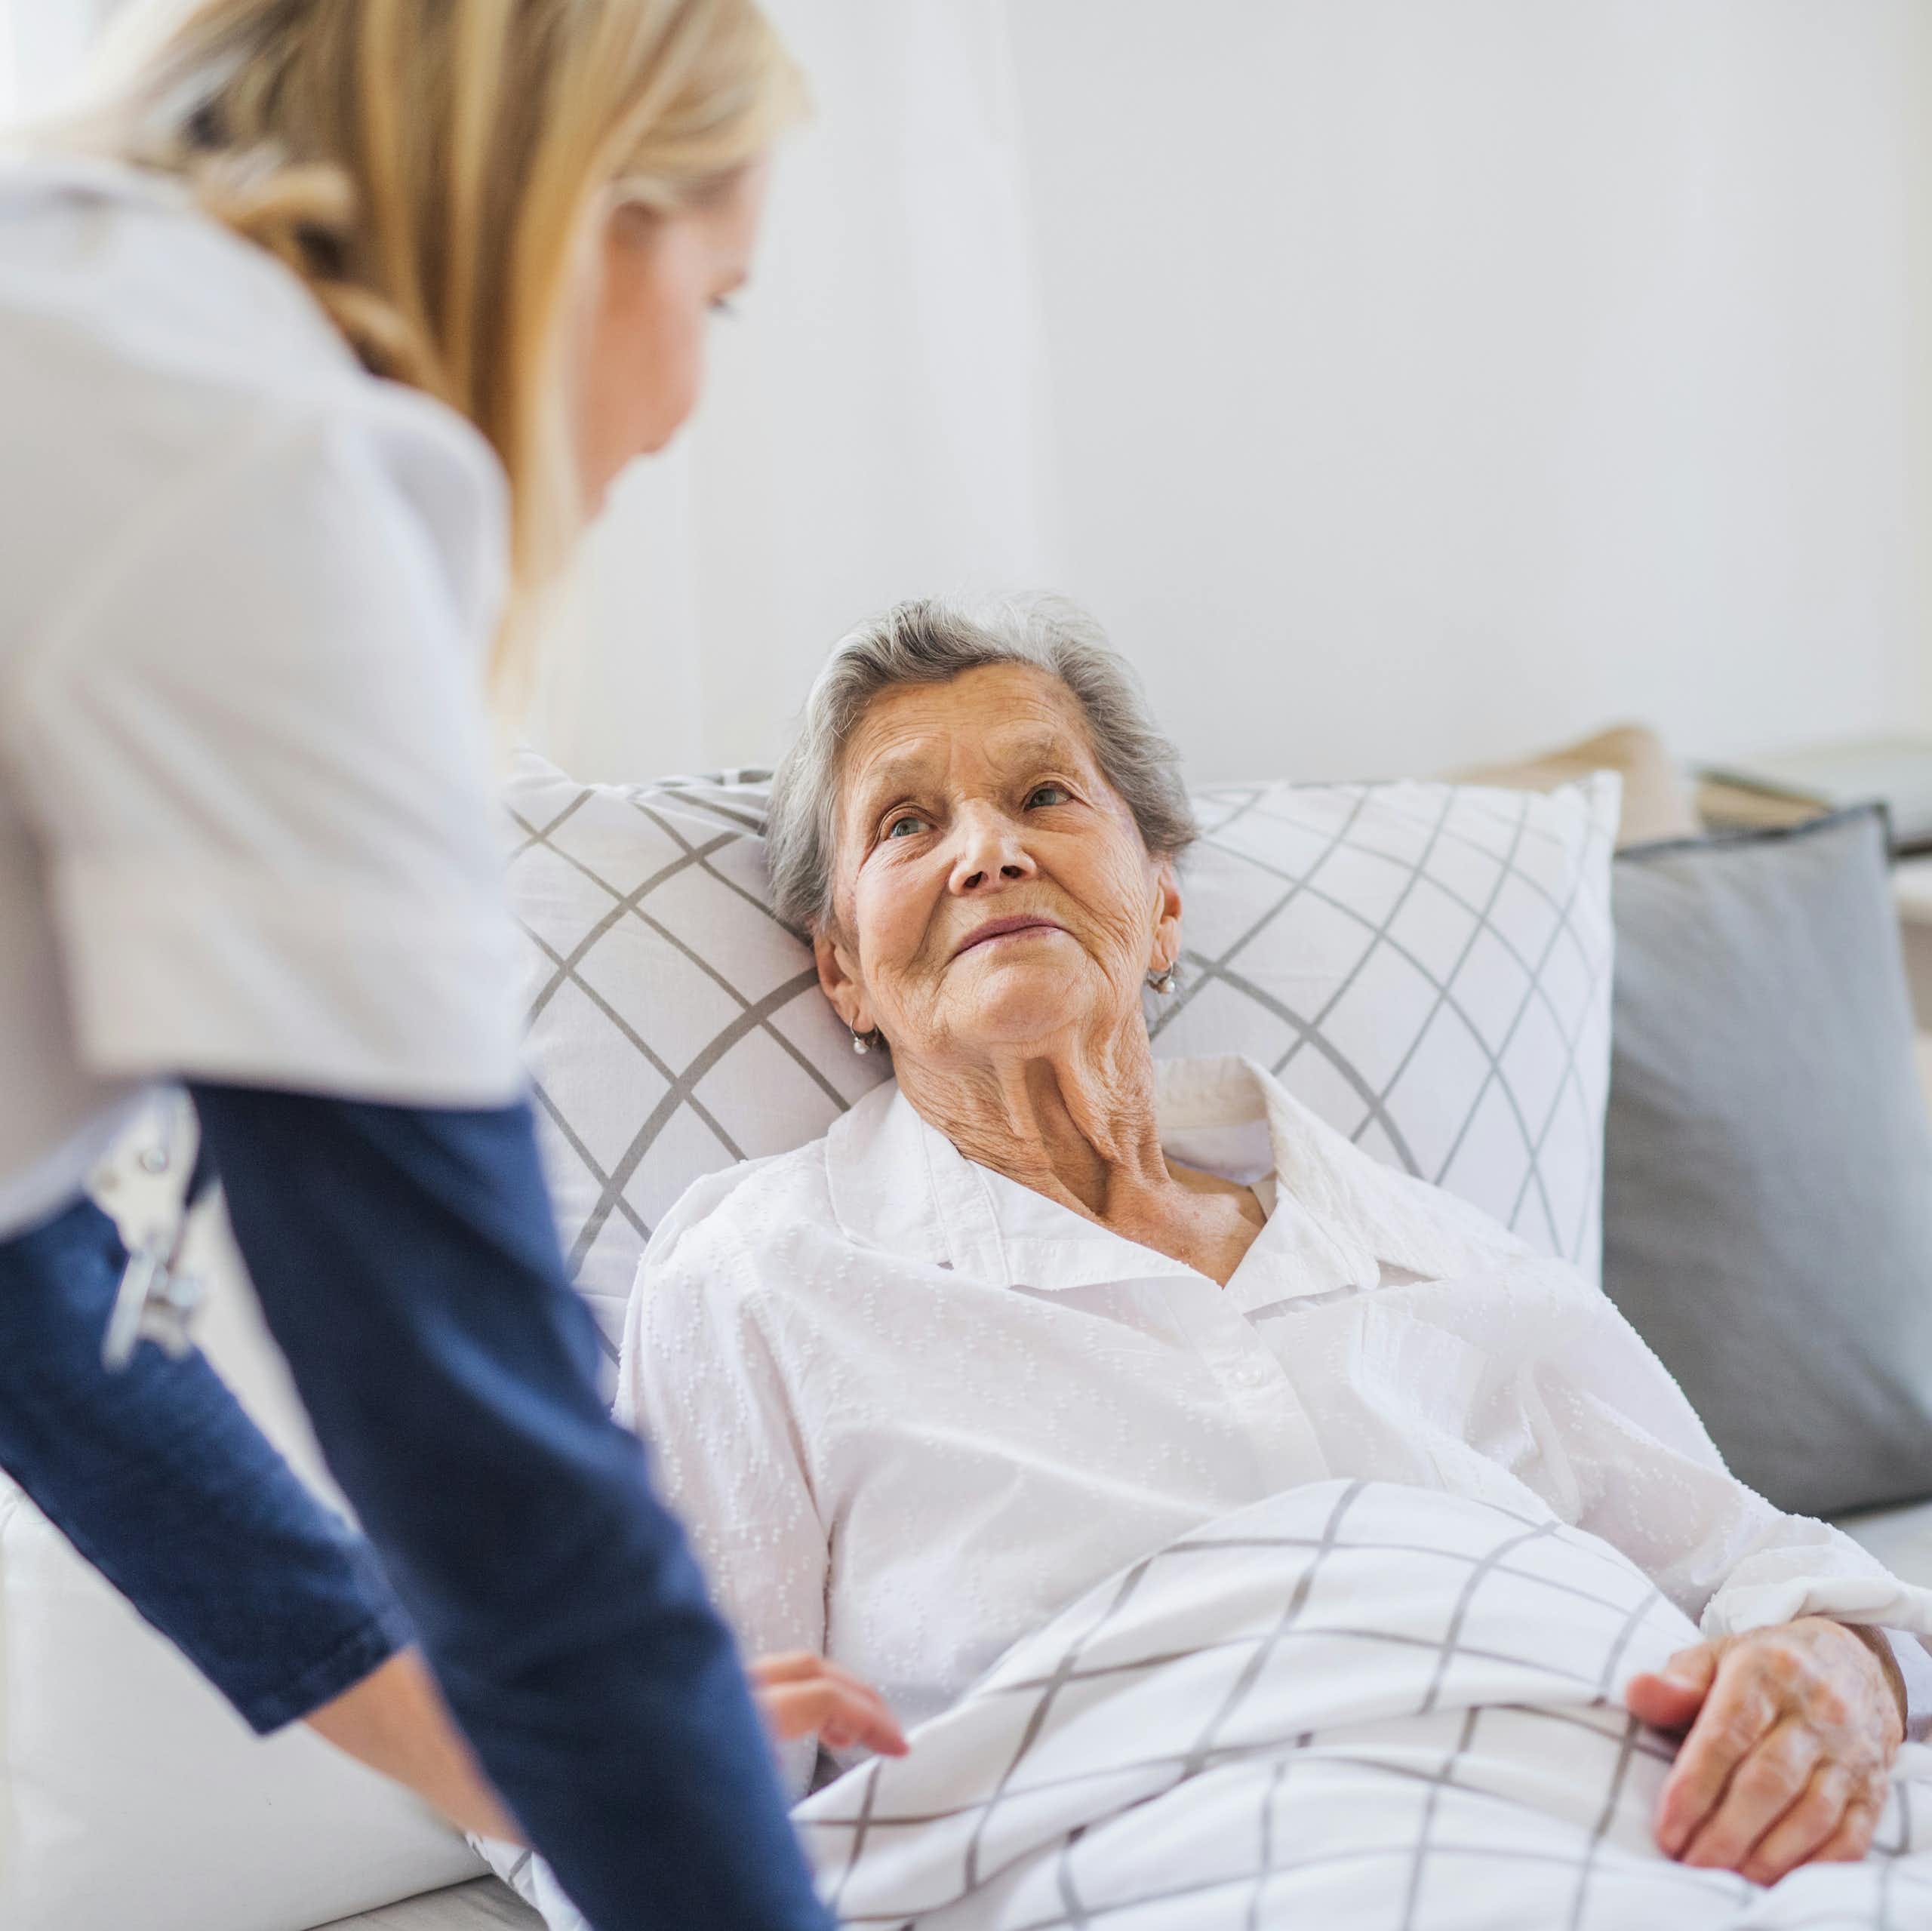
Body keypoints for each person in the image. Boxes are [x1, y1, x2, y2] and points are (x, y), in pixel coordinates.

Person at [618, 594, 1932, 1891]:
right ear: (841, 967)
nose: (988, 854)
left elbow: (1775, 1570)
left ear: (1163, 903)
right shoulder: (762, 1276)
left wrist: (1838, 1669)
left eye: (1046, 799)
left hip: (1651, 1835)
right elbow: (629, 1776)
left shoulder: (1431, 1250)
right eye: (908, 823)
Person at [0, 3, 844, 1925]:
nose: (691, 398)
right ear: (575, 212)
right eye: (715, 297)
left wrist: (445, 1724)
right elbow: (493, 1459)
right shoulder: (263, 483)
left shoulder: (80, 308)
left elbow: (23, 1284)